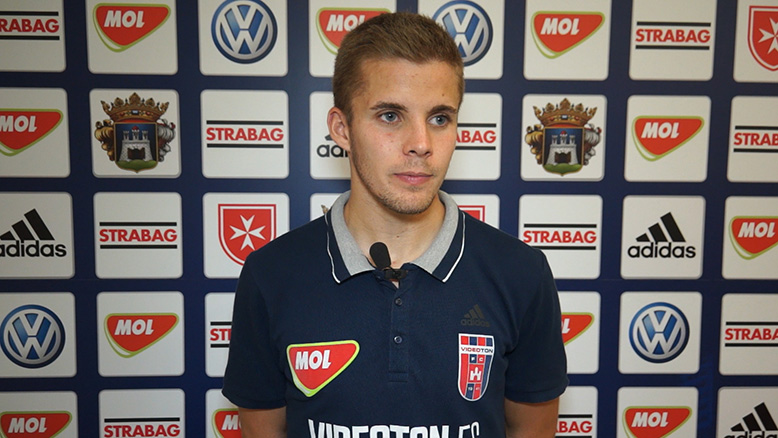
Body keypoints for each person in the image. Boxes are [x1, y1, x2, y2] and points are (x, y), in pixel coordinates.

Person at [222, 11, 567, 438]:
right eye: (390, 115)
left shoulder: (521, 273)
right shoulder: (271, 274)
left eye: (439, 118)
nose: (421, 144)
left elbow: (532, 429)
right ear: (342, 129)